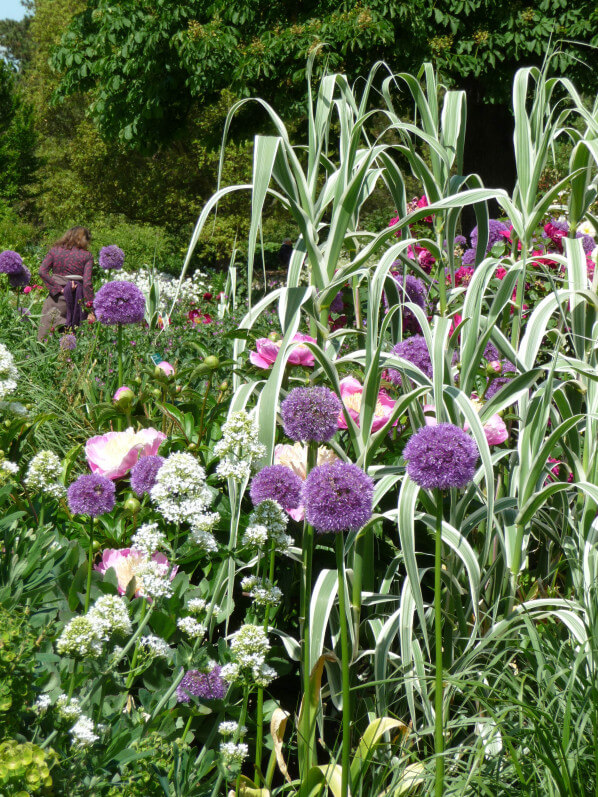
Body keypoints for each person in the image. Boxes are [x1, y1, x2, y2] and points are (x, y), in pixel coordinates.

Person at [37, 226, 95, 341]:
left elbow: (42, 271)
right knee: (72, 333)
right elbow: (87, 283)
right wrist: (91, 307)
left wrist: (59, 289)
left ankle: (42, 356)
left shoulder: (54, 251)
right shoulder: (87, 255)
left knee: (48, 330)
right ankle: (67, 357)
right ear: (84, 239)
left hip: (56, 298)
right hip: (76, 298)